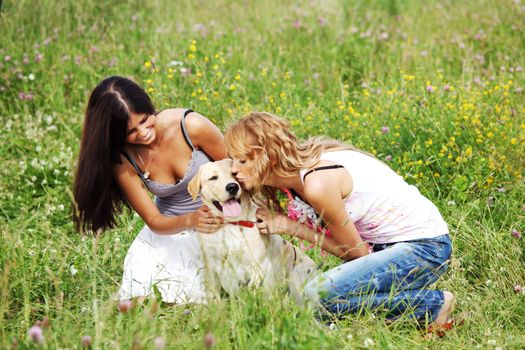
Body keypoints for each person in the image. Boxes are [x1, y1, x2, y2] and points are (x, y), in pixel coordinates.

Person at [225, 112, 455, 331]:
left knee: (315, 296)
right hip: (390, 248)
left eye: (242, 160)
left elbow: (357, 253)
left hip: (425, 249)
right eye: (233, 160)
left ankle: (432, 305)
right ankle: (392, 310)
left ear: (269, 157)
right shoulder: (299, 173)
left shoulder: (318, 184)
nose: (234, 169)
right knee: (304, 298)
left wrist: (291, 227)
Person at [73, 76, 227, 303]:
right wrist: (192, 220)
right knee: (148, 290)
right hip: (172, 230)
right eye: (130, 132)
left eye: (145, 120)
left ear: (149, 107)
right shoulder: (123, 160)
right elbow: (154, 220)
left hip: (222, 217)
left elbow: (236, 170)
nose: (143, 133)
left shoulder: (190, 126)